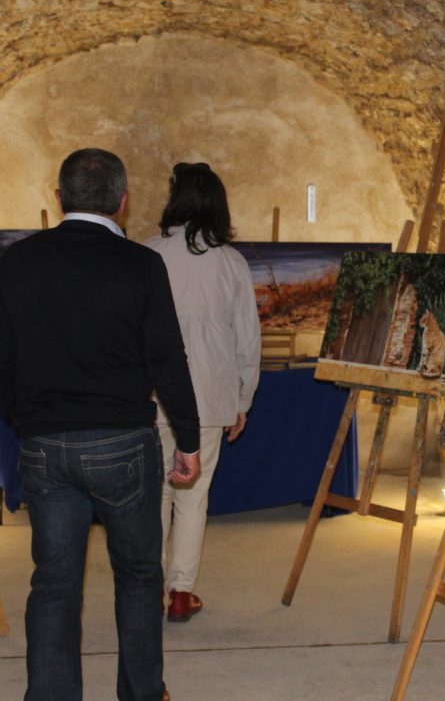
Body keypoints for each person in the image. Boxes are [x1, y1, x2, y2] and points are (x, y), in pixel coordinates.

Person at [0, 148, 200, 701]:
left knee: (54, 584)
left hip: (45, 445)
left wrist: (26, 418)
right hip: (124, 442)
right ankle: (142, 694)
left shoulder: (18, 261)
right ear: (123, 202)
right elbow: (168, 361)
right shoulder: (141, 265)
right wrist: (189, 440)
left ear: (59, 199)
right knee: (139, 577)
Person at [143, 161, 260, 623]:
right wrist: (243, 400)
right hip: (210, 397)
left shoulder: (148, 253)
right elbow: (247, 340)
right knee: (193, 497)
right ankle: (180, 593)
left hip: (153, 396)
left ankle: (150, 589)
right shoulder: (231, 262)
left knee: (155, 493)